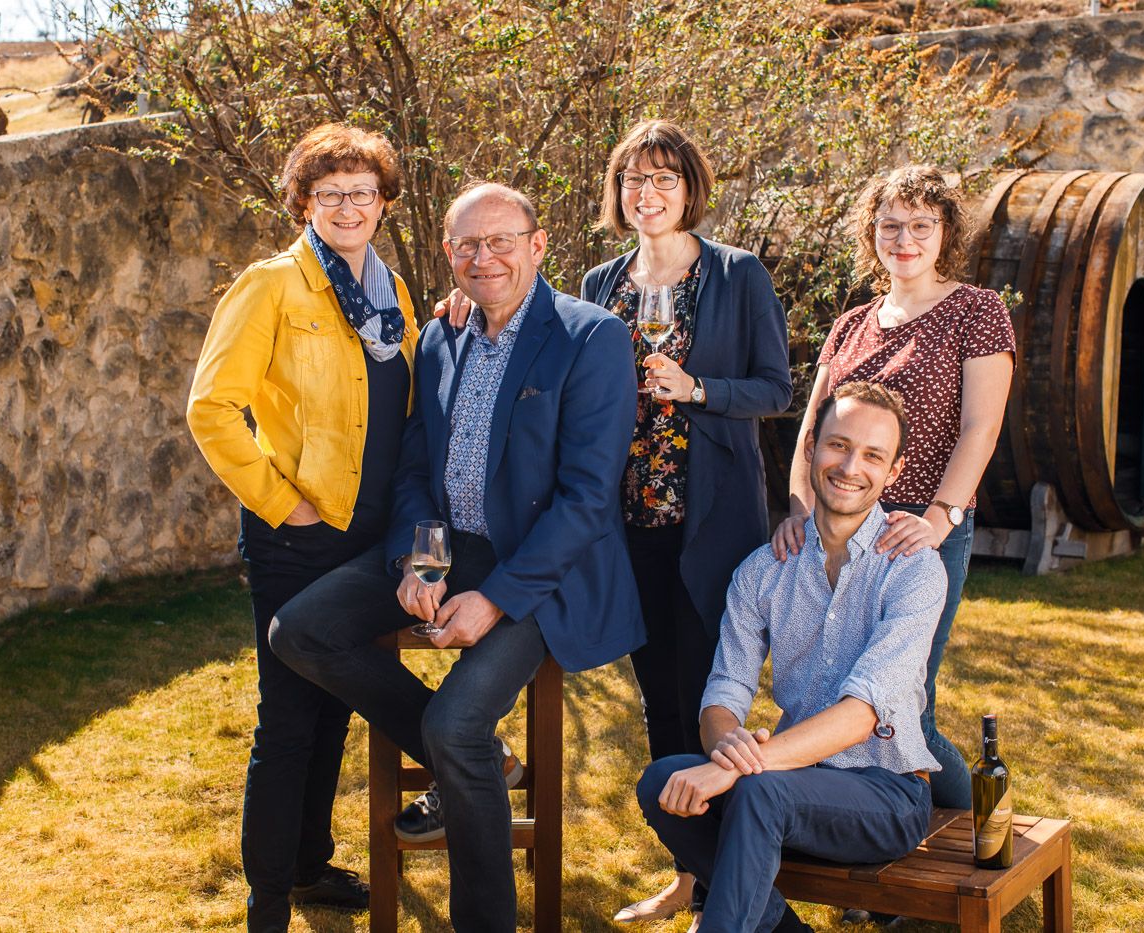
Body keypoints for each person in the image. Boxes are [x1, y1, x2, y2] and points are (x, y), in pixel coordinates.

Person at [435, 122, 792, 925]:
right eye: (633, 179)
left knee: (712, 701)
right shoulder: (601, 281)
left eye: (664, 179)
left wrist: (697, 389)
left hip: (706, 524)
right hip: (621, 526)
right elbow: (533, 322)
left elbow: (776, 386)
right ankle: (691, 873)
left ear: (689, 188)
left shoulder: (737, 275)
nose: (648, 194)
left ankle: (737, 889)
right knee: (659, 703)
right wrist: (468, 293)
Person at [270, 182, 643, 932]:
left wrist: (496, 598)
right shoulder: (439, 335)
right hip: (450, 551)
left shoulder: (591, 336)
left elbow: (587, 499)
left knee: (453, 728)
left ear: (538, 246)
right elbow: (414, 467)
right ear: (448, 252)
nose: (485, 257)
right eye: (468, 244)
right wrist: (420, 560)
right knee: (298, 632)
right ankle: (482, 761)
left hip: (542, 572)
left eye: (502, 240)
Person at [185, 123, 420, 933]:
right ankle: (267, 900)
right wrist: (283, 501)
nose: (348, 206)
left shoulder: (394, 293)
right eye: (330, 194)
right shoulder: (271, 285)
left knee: (337, 708)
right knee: (288, 716)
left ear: (384, 201)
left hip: (372, 536)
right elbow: (212, 408)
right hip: (297, 534)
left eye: (362, 191)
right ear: (304, 203)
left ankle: (309, 863)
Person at [637, 380, 947, 933]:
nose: (851, 465)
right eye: (838, 445)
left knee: (759, 791)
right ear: (811, 449)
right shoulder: (764, 569)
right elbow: (723, 694)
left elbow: (864, 712)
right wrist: (724, 744)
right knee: (662, 780)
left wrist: (738, 769)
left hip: (886, 793)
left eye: (873, 455)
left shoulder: (915, 569)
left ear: (893, 473)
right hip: (788, 781)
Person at [771, 165, 1015, 815]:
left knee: (905, 704)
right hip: (837, 536)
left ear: (946, 233)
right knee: (836, 699)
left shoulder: (977, 312)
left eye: (920, 226)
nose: (903, 239)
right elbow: (811, 433)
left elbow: (981, 426)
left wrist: (940, 516)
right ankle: (859, 848)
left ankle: (975, 825)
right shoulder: (851, 324)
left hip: (916, 534)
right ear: (870, 234)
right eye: (889, 225)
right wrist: (800, 512)